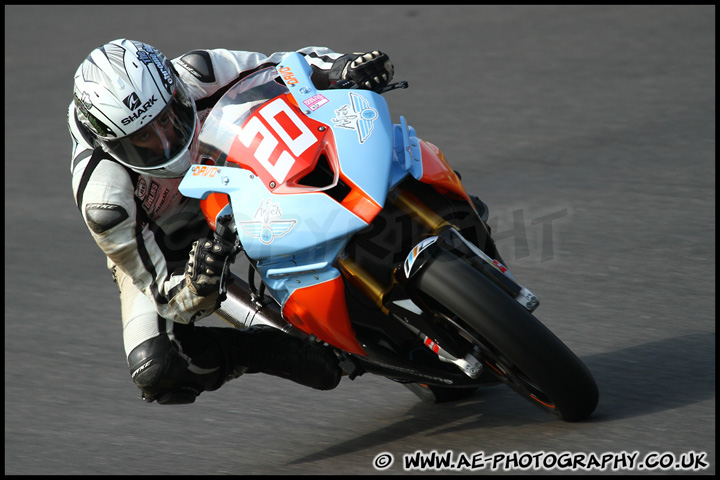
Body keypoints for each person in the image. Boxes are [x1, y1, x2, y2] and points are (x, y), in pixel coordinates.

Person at [68, 39, 395, 405]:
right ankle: (273, 348)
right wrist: (195, 284)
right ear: (111, 144)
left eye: (167, 117)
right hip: (170, 236)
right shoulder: (104, 199)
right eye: (143, 137)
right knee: (157, 367)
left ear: (176, 88)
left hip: (236, 167)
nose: (166, 140)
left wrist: (341, 66)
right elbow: (162, 292)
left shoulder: (198, 72)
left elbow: (286, 68)